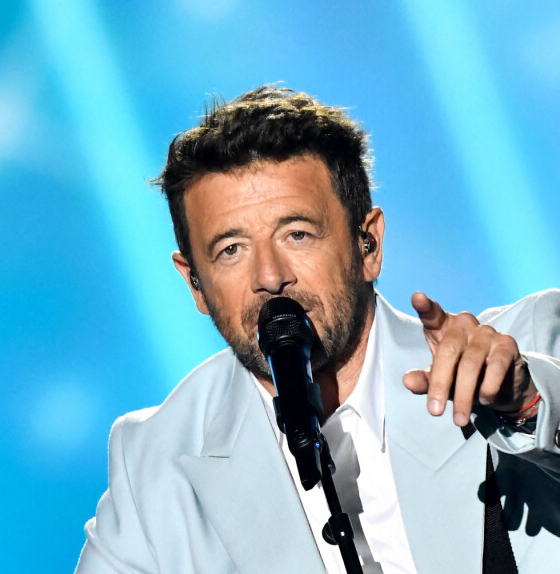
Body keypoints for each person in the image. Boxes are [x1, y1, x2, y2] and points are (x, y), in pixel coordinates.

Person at [75, 85, 560, 573]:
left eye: (297, 234)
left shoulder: (525, 354)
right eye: (231, 249)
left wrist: (526, 408)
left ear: (367, 245)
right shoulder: (154, 461)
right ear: (195, 283)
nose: (269, 277)